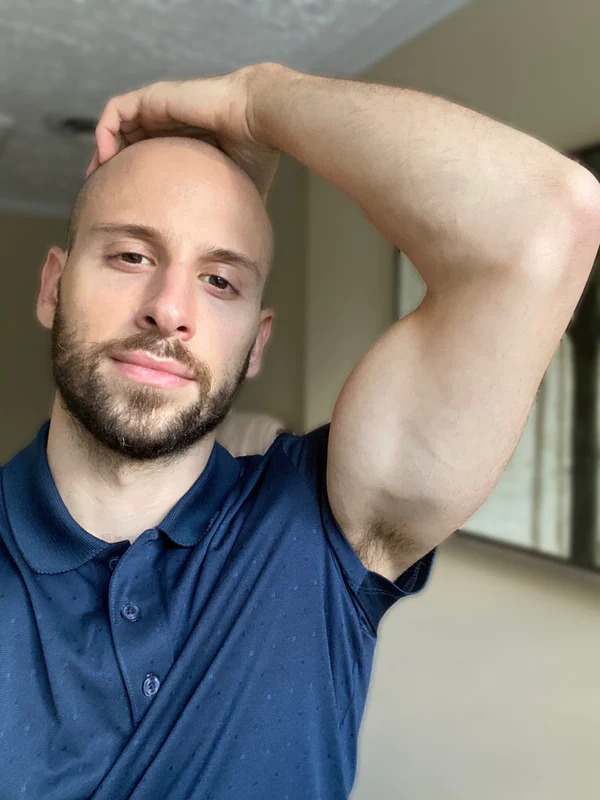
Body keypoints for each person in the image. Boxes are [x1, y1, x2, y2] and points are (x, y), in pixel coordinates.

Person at [1, 61, 599, 800]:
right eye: (132, 255)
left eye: (220, 280)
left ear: (257, 343)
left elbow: (545, 220)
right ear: (54, 286)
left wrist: (258, 101)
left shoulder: (324, 525)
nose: (170, 309)